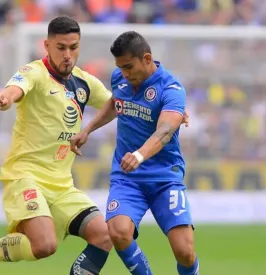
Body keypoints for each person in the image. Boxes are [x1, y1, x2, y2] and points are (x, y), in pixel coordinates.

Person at [0, 16, 113, 275]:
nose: (68, 55)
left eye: (73, 47)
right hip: (25, 176)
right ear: (47, 46)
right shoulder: (34, 72)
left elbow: (117, 105)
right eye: (61, 47)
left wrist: (166, 110)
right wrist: (5, 97)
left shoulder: (85, 83)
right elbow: (16, 88)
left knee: (104, 235)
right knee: (45, 245)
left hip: (61, 184)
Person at [70, 31, 197, 275]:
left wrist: (138, 155)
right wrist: (88, 130)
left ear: (147, 58)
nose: (125, 74)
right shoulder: (120, 77)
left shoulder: (171, 88)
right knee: (118, 231)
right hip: (127, 177)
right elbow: (115, 102)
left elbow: (166, 130)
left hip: (164, 177)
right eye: (120, 68)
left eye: (129, 67)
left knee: (185, 251)